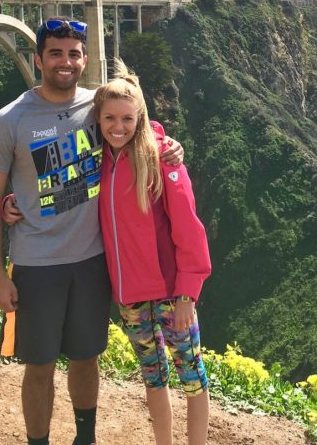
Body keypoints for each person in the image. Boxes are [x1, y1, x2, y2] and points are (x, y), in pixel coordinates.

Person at [0, 17, 183, 445]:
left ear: (85, 59)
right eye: (55, 53)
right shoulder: (8, 121)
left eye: (73, 54)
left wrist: (169, 145)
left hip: (92, 261)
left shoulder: (97, 107)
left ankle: (85, 438)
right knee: (39, 366)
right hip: (37, 265)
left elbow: (136, 127)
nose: (65, 62)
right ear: (38, 60)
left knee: (87, 358)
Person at [94, 62, 211, 445]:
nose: (118, 126)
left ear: (139, 117)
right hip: (130, 300)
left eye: (127, 118)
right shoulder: (97, 162)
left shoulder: (160, 157)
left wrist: (187, 294)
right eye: (109, 117)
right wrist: (15, 203)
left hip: (169, 295)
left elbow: (189, 228)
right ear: (97, 118)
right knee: (153, 378)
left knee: (192, 378)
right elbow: (55, 188)